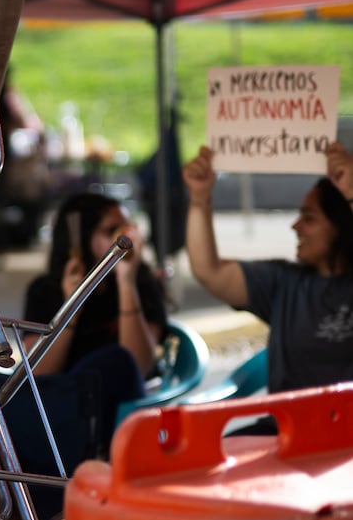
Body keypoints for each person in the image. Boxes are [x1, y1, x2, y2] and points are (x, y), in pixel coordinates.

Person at [183, 141, 353, 416]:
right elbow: (209, 271)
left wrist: (351, 193)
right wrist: (199, 199)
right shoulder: (284, 282)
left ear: (341, 225)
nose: (295, 226)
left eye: (309, 218)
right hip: (285, 432)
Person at [21, 191, 168, 449]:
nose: (124, 238)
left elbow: (138, 365)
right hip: (63, 408)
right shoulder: (45, 290)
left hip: (119, 405)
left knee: (115, 360)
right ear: (80, 238)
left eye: (127, 228)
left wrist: (126, 283)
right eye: (111, 231)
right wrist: (73, 304)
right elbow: (37, 373)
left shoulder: (142, 282)